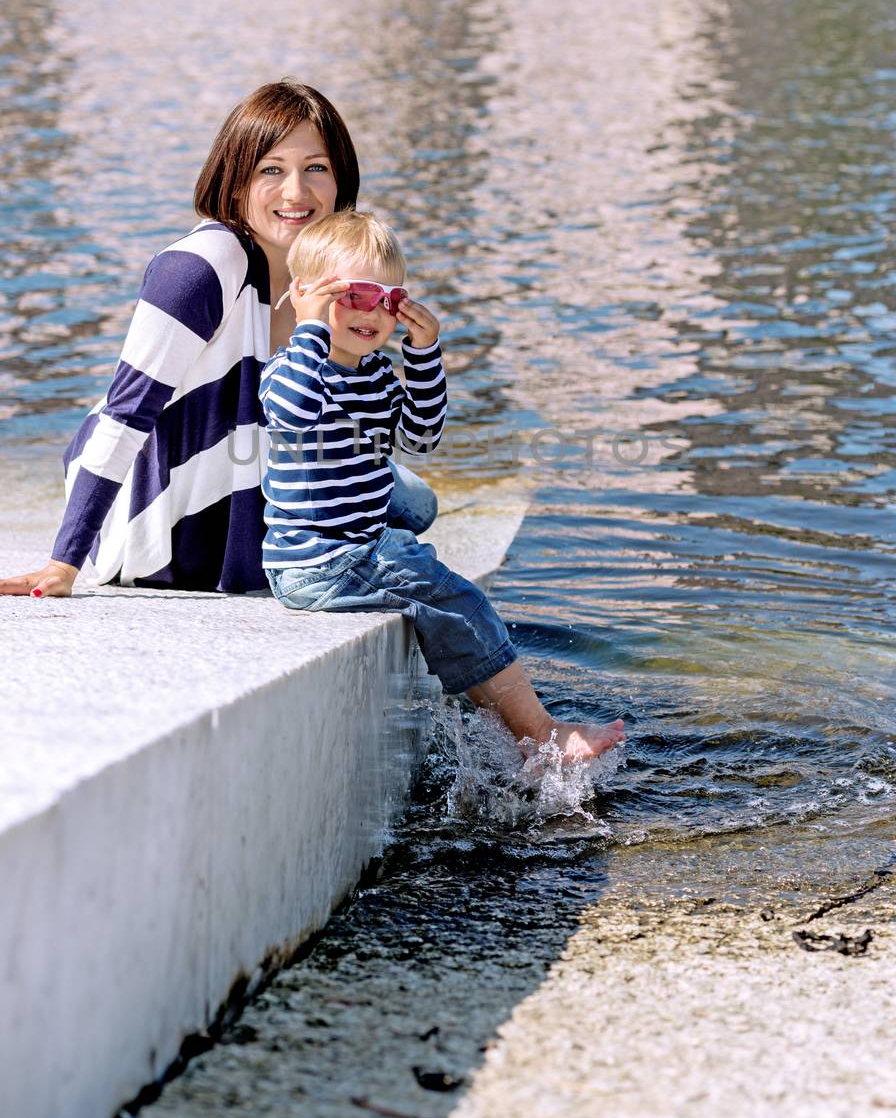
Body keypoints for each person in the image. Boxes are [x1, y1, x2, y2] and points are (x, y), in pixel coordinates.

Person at [0, 82, 437, 600]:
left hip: (263, 472)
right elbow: (126, 412)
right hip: (169, 511)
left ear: (341, 180)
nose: (297, 192)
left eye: (315, 167)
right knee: (396, 513)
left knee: (416, 505)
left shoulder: (325, 274)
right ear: (234, 184)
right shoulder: (199, 268)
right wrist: (62, 562)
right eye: (270, 170)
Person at [262, 210, 626, 763]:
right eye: (355, 294)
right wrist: (310, 327)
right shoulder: (292, 368)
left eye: (389, 300)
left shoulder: (377, 374)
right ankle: (538, 730)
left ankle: (508, 728)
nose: (374, 313)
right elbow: (292, 414)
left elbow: (422, 435)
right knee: (460, 597)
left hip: (356, 545)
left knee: (438, 582)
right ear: (308, 294)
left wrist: (423, 353)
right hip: (321, 561)